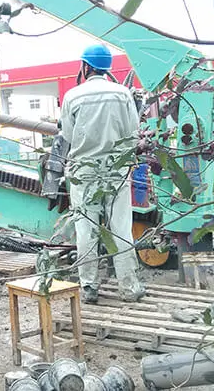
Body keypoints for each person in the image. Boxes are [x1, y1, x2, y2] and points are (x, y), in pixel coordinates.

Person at [60, 43, 144, 304]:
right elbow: (133, 131)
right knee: (121, 228)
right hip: (117, 170)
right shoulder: (122, 94)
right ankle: (129, 289)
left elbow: (68, 136)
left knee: (86, 230)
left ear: (85, 66)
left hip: (84, 172)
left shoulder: (73, 96)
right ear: (107, 68)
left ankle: (88, 287)